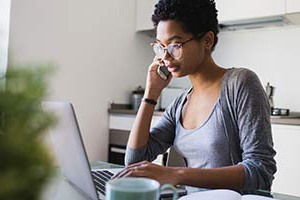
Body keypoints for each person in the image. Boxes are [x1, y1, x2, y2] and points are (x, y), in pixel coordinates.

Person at [113, 0, 276, 193]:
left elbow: (260, 171)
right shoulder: (180, 104)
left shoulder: (239, 83)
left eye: (175, 45)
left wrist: (176, 174)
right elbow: (134, 162)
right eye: (160, 46)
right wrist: (150, 95)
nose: (165, 57)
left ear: (207, 40)